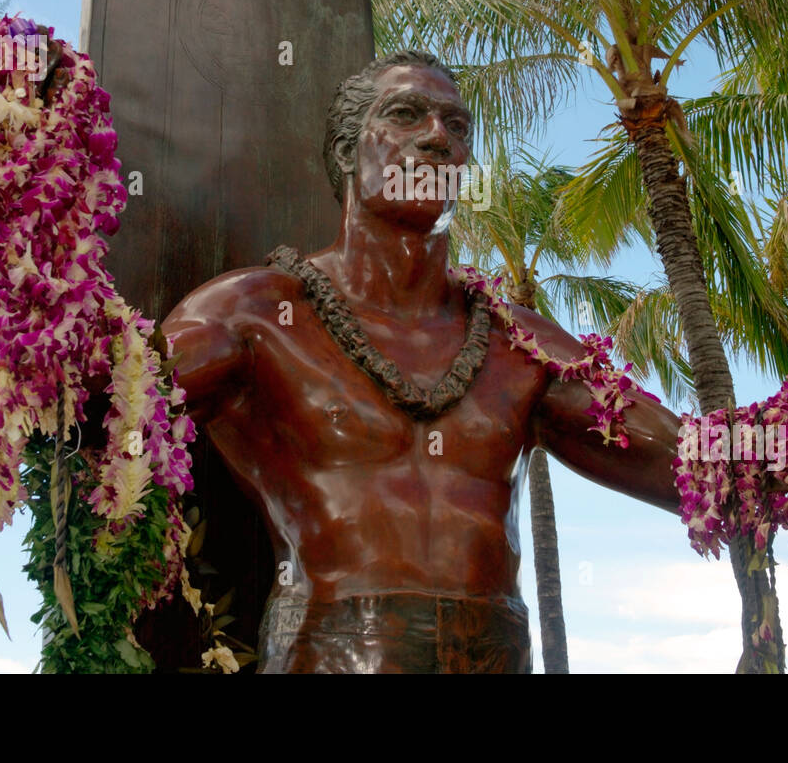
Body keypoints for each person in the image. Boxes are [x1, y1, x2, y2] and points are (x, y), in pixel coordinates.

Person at [163, 50, 685, 672]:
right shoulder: (256, 314)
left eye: (457, 126)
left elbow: (689, 464)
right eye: (406, 115)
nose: (438, 137)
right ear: (345, 153)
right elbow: (108, 390)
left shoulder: (517, 345)